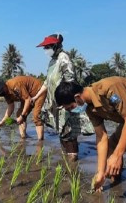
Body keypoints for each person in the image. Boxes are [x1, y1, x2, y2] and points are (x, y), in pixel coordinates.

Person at [31, 33, 94, 161]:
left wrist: (67, 101)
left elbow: (70, 81)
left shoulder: (64, 58)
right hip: (55, 103)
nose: (45, 50)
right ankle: (66, 158)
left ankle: (72, 161)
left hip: (65, 101)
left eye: (47, 47)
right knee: (61, 130)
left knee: (69, 131)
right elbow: (47, 82)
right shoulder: (52, 61)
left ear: (55, 45)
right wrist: (36, 96)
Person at [0, 76, 47, 140]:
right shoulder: (5, 94)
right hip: (27, 96)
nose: (0, 94)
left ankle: (40, 141)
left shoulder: (15, 84)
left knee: (36, 116)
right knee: (19, 114)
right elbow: (10, 107)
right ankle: (23, 137)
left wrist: (22, 116)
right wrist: (2, 121)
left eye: (0, 91)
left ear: (3, 86)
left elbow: (27, 100)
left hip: (38, 91)